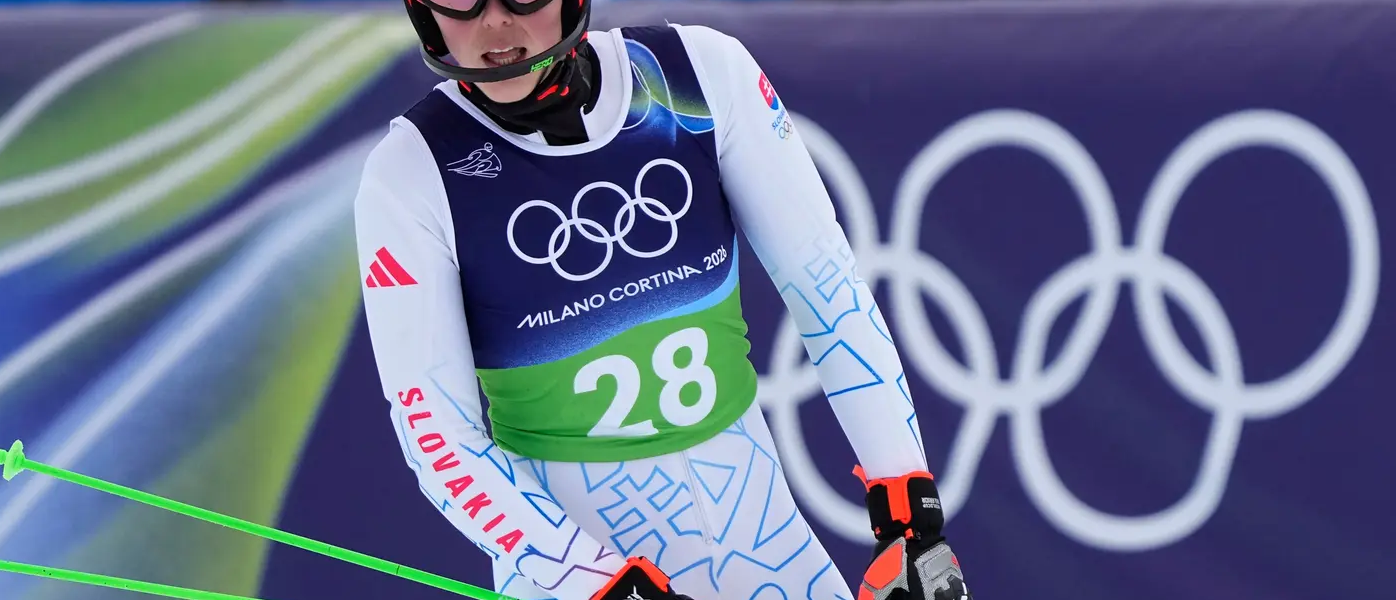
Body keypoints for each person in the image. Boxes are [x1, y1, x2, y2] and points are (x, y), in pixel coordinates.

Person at [352, 0, 972, 598]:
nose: (494, 19)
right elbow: (437, 436)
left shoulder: (699, 74)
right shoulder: (409, 173)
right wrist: (595, 582)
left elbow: (826, 288)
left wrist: (909, 512)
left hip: (769, 551)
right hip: (580, 575)